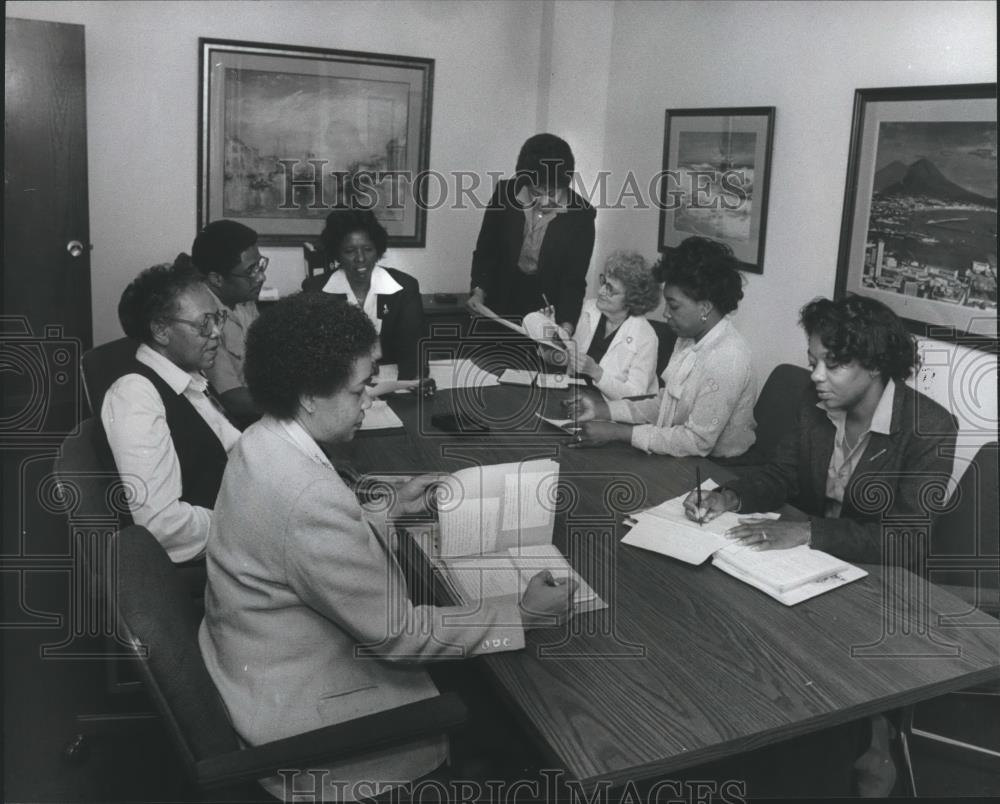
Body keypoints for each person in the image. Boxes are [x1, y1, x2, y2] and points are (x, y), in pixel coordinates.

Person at [198, 293, 574, 802]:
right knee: (516, 717)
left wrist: (386, 508)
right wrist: (523, 614)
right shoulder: (306, 495)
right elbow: (400, 636)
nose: (369, 401)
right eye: (358, 392)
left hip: (258, 665)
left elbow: (297, 546)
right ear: (309, 394)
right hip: (310, 724)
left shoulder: (259, 443)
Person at [685, 295, 958, 565]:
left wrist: (808, 532)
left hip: (872, 576)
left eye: (834, 364)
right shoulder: (813, 400)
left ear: (876, 365)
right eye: (813, 363)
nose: (816, 376)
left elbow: (907, 540)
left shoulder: (930, 428)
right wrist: (729, 498)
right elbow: (781, 476)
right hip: (805, 561)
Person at [101, 261, 240, 563]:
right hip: (220, 554)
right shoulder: (135, 396)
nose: (216, 332)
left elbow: (232, 444)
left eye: (218, 318)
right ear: (161, 330)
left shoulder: (187, 378)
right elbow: (161, 526)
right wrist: (245, 523)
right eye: (204, 323)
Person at [567, 236, 756, 457]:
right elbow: (665, 405)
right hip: (678, 451)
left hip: (717, 467)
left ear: (705, 308)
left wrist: (619, 432)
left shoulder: (728, 358)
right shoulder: (690, 337)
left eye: (673, 306)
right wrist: (604, 410)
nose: (665, 314)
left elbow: (696, 442)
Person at [468, 133, 596, 336]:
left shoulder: (581, 216)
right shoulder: (504, 194)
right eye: (536, 191)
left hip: (545, 310)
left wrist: (565, 328)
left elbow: (573, 281)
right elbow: (486, 251)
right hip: (499, 300)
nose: (543, 201)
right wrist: (478, 291)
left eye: (552, 192)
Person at [303, 209, 425, 380]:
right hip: (340, 384)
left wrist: (406, 391)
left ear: (377, 249)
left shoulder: (404, 287)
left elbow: (414, 354)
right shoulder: (316, 290)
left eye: (367, 249)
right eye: (349, 251)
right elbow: (316, 356)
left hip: (392, 381)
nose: (360, 258)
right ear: (337, 253)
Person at [540, 250, 660, 400]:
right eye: (603, 282)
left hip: (610, 413)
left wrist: (596, 372)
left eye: (610, 289)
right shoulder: (587, 309)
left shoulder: (645, 336)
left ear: (631, 299)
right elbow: (554, 359)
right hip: (571, 397)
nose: (600, 290)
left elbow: (637, 398)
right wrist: (550, 335)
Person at [188, 219, 267, 427]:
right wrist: (295, 404)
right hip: (233, 424)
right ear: (216, 279)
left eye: (260, 265)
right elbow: (232, 399)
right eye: (251, 271)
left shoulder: (244, 300)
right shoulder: (205, 319)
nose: (261, 277)